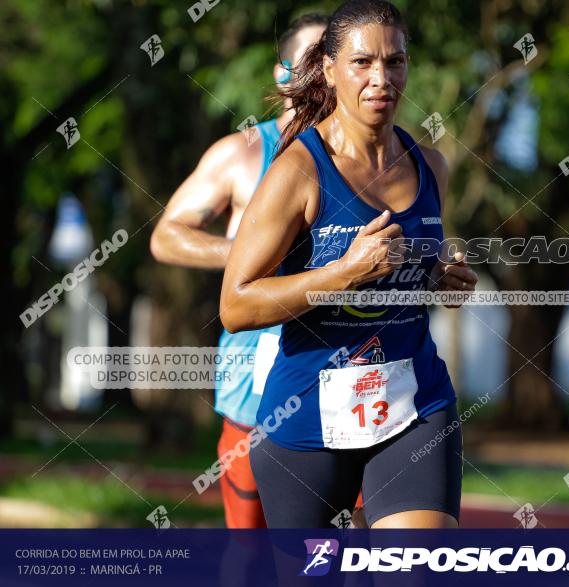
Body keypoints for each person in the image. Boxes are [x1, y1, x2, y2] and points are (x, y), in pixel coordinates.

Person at [220, 0, 477, 529]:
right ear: (330, 69)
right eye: (362, 63)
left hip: (414, 408)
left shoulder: (431, 165)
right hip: (306, 417)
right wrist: (343, 275)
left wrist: (436, 278)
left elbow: (403, 270)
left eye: (395, 61)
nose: (381, 78)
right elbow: (236, 305)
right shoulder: (298, 170)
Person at [149, 14, 328, 528]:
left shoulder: (371, 158)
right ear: (282, 73)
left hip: (345, 361)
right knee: (248, 543)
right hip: (255, 364)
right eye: (313, 56)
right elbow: (166, 235)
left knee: (343, 546)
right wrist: (250, 253)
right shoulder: (242, 153)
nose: (325, 69)